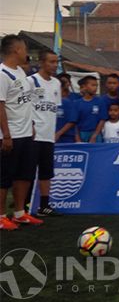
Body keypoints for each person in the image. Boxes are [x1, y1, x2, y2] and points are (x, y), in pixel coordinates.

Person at [0, 35, 43, 229]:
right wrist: (6, 134)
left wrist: (32, 124)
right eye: (24, 49)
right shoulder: (2, 74)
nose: (26, 53)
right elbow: (0, 106)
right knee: (4, 178)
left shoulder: (20, 72)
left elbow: (25, 102)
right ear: (16, 50)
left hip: (26, 133)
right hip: (10, 135)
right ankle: (1, 217)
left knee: (24, 175)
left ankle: (19, 213)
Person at [26, 49, 61, 217]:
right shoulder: (30, 81)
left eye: (56, 62)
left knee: (46, 172)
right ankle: (25, 205)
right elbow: (23, 106)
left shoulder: (56, 83)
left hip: (48, 135)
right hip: (32, 135)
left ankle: (44, 205)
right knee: (28, 172)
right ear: (41, 62)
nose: (55, 65)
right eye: (51, 62)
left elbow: (54, 108)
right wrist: (30, 125)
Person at [74, 76, 107, 143]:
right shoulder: (76, 103)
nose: (95, 88)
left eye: (96, 85)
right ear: (84, 86)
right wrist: (77, 138)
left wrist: (95, 135)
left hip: (96, 134)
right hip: (81, 134)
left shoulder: (100, 101)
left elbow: (102, 119)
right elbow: (74, 123)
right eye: (93, 85)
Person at [55, 73, 79, 143]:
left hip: (67, 136)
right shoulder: (51, 100)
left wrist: (59, 133)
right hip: (51, 136)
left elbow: (72, 121)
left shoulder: (68, 102)